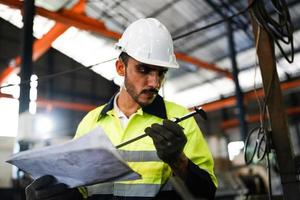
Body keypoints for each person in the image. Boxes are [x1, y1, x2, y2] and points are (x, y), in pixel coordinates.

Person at [25, 18, 217, 200]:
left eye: (161, 72)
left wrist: (179, 161)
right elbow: (81, 189)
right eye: (144, 69)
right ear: (120, 68)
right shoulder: (91, 122)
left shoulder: (180, 118)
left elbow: (207, 191)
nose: (155, 82)